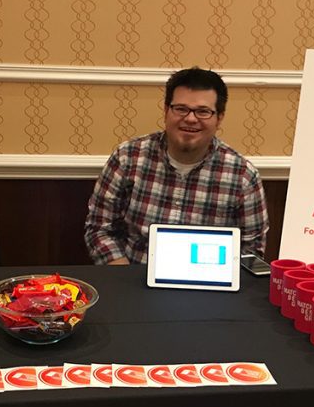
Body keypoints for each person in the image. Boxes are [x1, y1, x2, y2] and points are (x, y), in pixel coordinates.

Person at [84, 67, 269, 265]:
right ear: (166, 111)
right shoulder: (128, 157)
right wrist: (123, 275)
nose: (190, 118)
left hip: (208, 288)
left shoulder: (242, 175)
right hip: (133, 277)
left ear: (219, 118)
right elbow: (99, 228)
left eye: (203, 111)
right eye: (181, 109)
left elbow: (252, 252)